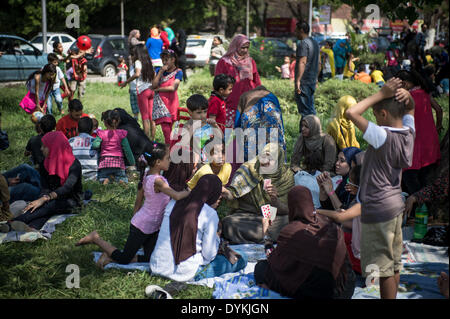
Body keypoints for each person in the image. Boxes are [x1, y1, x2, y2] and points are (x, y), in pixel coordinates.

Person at [345, 77, 415, 299]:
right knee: (393, 265)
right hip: (395, 205)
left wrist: (380, 94)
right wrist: (409, 100)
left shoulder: (381, 136)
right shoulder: (408, 134)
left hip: (378, 210)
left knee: (383, 270)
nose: (374, 119)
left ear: (383, 115)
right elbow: (410, 111)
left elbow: (351, 113)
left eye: (375, 115)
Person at [75, 143, 190, 268]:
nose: (170, 160)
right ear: (158, 162)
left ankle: (110, 257)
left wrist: (135, 216)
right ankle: (96, 238)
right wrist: (190, 192)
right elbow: (177, 196)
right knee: (124, 258)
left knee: (151, 258)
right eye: (167, 158)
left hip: (151, 226)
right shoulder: (158, 181)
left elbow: (138, 201)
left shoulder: (148, 174)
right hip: (142, 226)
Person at [254, 185, 356, 299]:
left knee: (261, 267)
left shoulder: (290, 231)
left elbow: (273, 260)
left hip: (312, 293)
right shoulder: (331, 226)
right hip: (342, 291)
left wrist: (266, 233)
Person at [150, 174, 247, 282]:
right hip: (185, 273)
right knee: (242, 258)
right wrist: (216, 237)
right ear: (213, 194)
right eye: (218, 194)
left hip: (157, 265)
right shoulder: (209, 214)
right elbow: (209, 255)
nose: (219, 198)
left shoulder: (173, 203)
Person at [1, 131, 83, 232]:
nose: (41, 149)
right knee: (41, 207)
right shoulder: (45, 163)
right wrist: (40, 200)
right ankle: (32, 227)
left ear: (55, 146)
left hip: (72, 200)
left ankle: (14, 222)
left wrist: (45, 199)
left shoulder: (74, 164)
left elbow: (67, 188)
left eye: (44, 146)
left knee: (50, 206)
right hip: (51, 198)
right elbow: (45, 187)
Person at [221, 143, 295, 244]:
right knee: (229, 223)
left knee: (290, 222)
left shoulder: (286, 177)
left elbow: (286, 209)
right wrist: (226, 192)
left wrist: (275, 200)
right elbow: (233, 194)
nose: (264, 162)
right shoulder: (249, 169)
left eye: (270, 160)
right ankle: (267, 238)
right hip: (249, 216)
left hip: (274, 217)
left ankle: (257, 237)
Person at [396, 70, 442, 196]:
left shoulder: (406, 98)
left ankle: (417, 207)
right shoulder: (425, 93)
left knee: (410, 179)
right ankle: (424, 209)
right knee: (424, 180)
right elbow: (439, 110)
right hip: (429, 144)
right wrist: (438, 127)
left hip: (414, 145)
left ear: (404, 84)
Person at [317, 164, 363, 275]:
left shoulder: (365, 202)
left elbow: (341, 216)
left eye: (350, 180)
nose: (348, 183)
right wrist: (327, 190)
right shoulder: (358, 199)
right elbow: (341, 212)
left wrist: (315, 211)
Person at [215, 34, 261, 128]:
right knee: (228, 134)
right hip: (231, 104)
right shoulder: (224, 62)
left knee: (246, 133)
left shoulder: (250, 61)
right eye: (242, 47)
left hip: (248, 103)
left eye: (247, 48)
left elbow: (256, 81)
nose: (245, 50)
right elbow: (217, 82)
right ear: (235, 46)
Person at [235, 86, 286, 162]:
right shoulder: (272, 96)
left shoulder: (245, 96)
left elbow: (237, 123)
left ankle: (252, 169)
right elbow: (280, 120)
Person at [120, 45, 156, 140]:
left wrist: (126, 82)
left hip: (142, 91)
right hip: (151, 89)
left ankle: (146, 140)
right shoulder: (148, 60)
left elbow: (137, 74)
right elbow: (154, 74)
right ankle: (153, 140)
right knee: (151, 117)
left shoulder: (138, 62)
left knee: (145, 117)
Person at [92, 110, 136, 185]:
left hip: (105, 162)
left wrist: (99, 144)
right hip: (118, 163)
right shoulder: (121, 134)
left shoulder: (101, 133)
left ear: (105, 123)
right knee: (121, 176)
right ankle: (121, 180)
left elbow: (95, 145)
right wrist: (132, 162)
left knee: (102, 176)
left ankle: (105, 180)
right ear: (117, 121)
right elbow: (127, 150)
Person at [152, 49, 183, 144]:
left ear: (173, 59)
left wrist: (158, 89)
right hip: (161, 104)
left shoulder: (178, 72)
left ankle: (170, 149)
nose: (164, 62)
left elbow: (174, 87)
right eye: (163, 60)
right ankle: (168, 150)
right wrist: (160, 72)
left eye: (166, 60)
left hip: (172, 103)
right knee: (165, 130)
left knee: (170, 129)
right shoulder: (158, 70)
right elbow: (154, 85)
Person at [317, 147, 362, 211]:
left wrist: (331, 191)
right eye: (337, 159)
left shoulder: (356, 185)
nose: (337, 163)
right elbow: (328, 207)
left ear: (352, 164)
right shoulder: (344, 182)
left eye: (342, 161)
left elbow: (345, 213)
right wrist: (322, 189)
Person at [294, 21, 320, 117]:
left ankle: (311, 130)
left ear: (301, 30)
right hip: (312, 80)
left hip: (304, 81)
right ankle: (312, 130)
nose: (294, 33)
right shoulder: (315, 43)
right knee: (310, 109)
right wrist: (316, 78)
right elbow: (319, 63)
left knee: (306, 112)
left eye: (296, 30)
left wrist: (298, 80)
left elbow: (302, 62)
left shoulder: (303, 44)